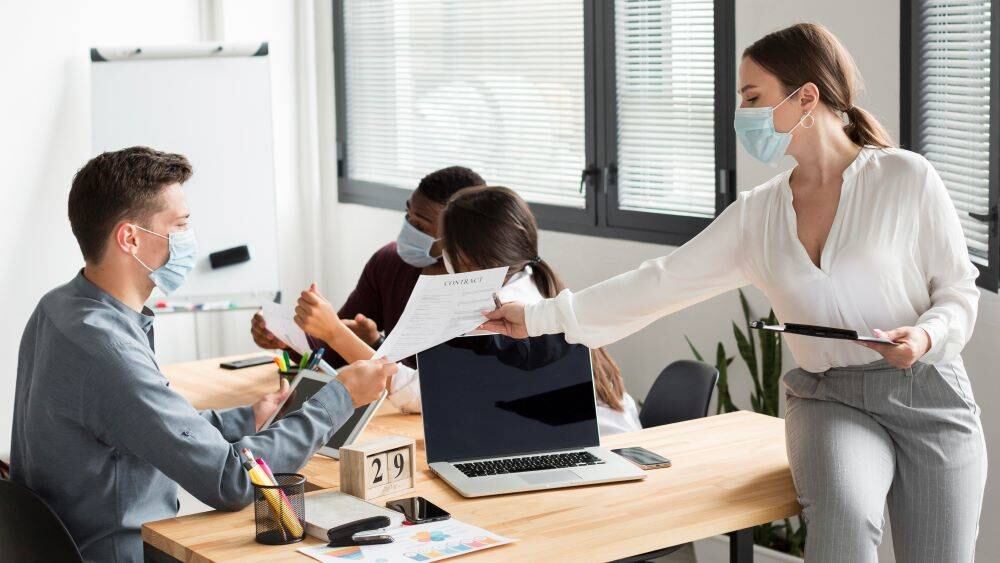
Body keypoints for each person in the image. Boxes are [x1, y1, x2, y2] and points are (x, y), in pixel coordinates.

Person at [480, 23, 987, 562]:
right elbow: (661, 281)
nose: (741, 113)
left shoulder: (906, 179)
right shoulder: (758, 215)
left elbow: (957, 293)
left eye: (752, 97)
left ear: (806, 97)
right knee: (843, 524)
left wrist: (926, 337)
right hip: (829, 397)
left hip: (926, 390)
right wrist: (538, 318)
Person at [10, 147, 395, 562]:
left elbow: (139, 427)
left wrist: (246, 419)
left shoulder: (59, 308)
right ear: (130, 238)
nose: (188, 240)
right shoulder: (109, 350)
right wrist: (340, 398)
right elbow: (231, 483)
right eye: (179, 226)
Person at [294, 186, 642, 435]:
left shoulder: (495, 311)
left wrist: (334, 333)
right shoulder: (533, 278)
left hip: (589, 446)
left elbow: (418, 394)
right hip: (611, 435)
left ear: (464, 257)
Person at [249, 166, 485, 373]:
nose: (408, 227)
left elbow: (423, 383)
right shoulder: (389, 261)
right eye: (407, 214)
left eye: (419, 224)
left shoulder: (477, 291)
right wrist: (285, 338)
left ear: (458, 233)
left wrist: (372, 343)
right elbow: (331, 346)